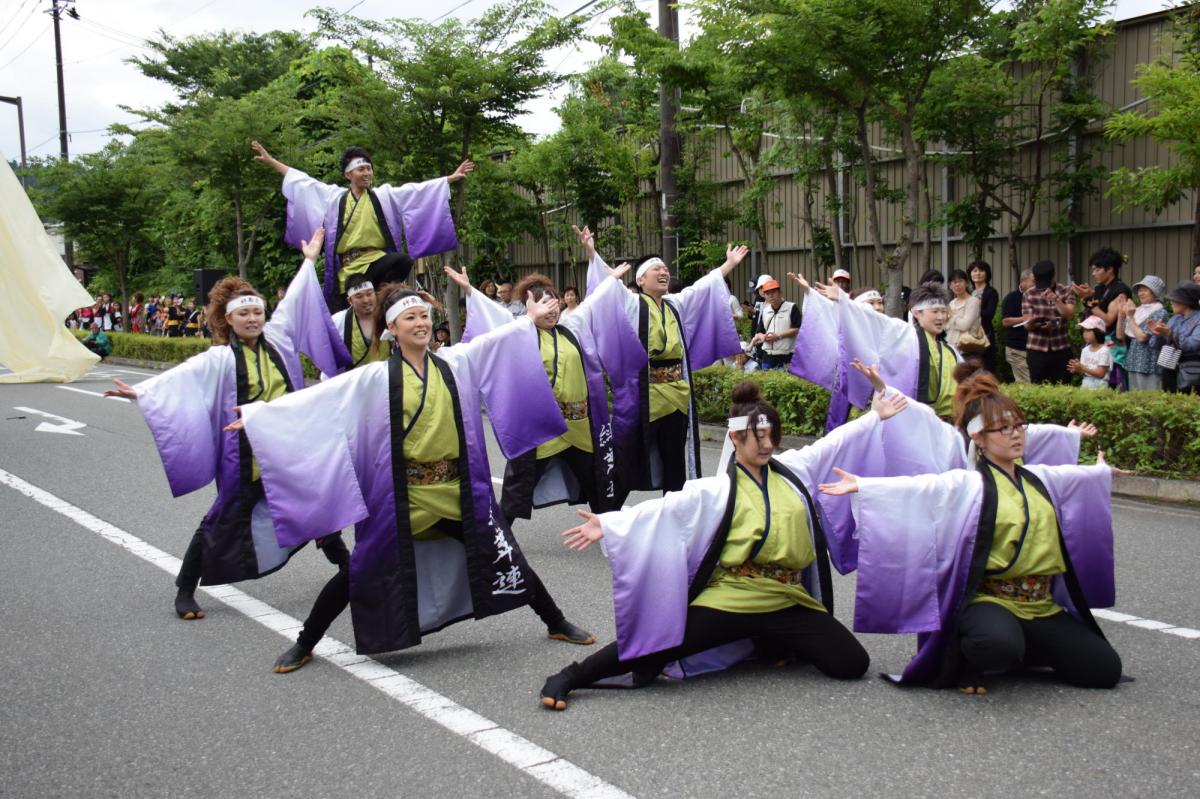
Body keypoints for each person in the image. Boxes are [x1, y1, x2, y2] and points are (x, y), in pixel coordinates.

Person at [239, 279, 597, 671]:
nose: (421, 323)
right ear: (392, 328)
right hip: (404, 496)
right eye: (409, 318)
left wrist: (527, 320)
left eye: (423, 316)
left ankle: (555, 621)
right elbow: (321, 400)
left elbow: (496, 343)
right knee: (361, 568)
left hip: (455, 491)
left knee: (503, 552)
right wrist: (261, 417)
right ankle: (305, 642)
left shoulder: (456, 363)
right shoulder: (374, 378)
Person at [538, 382, 905, 711]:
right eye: (757, 437)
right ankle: (572, 675)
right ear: (735, 438)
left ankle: (767, 641)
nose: (767, 444)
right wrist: (608, 523)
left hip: (787, 598)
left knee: (850, 663)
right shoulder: (717, 489)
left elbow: (834, 443)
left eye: (771, 435)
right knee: (657, 642)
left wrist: (875, 416)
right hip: (734, 595)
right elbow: (665, 511)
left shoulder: (795, 468)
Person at [819, 370, 1123, 693]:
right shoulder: (967, 484)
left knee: (1104, 671)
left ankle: (1024, 645)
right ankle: (966, 655)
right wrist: (865, 485)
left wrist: (1101, 473)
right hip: (990, 600)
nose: (1015, 434)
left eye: (1019, 426)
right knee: (996, 647)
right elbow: (922, 488)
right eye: (1003, 428)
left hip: (1039, 604)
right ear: (978, 437)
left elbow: (1077, 479)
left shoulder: (1041, 479)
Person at [105, 230, 349, 621]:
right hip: (245, 453)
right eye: (243, 314)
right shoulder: (219, 358)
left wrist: (309, 261)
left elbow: (298, 299)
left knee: (318, 505)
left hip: (287, 445)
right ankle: (185, 588)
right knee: (221, 519)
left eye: (257, 312)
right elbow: (182, 379)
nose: (252, 319)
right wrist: (141, 393)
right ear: (228, 320)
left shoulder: (280, 340)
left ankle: (349, 569)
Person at [580, 225, 747, 497]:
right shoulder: (633, 303)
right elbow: (608, 286)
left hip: (676, 395)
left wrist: (728, 265)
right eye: (656, 269)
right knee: (627, 457)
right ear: (641, 280)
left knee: (674, 463)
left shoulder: (674, 304)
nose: (663, 272)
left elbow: (702, 288)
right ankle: (608, 513)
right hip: (644, 395)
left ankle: (675, 511)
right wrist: (591, 253)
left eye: (665, 269)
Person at [499, 261, 642, 529]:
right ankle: (497, 539)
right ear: (531, 307)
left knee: (597, 481)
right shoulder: (520, 335)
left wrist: (610, 280)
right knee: (518, 487)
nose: (552, 310)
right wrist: (470, 291)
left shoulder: (569, 329)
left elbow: (592, 304)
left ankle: (610, 531)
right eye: (545, 305)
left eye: (555, 304)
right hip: (543, 429)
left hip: (578, 426)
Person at [252, 141, 473, 311]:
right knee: (340, 316)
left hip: (377, 262)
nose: (367, 173)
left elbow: (415, 191)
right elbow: (303, 182)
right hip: (349, 268)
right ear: (348, 174)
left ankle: (381, 297)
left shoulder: (383, 196)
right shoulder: (334, 198)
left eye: (369, 168)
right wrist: (272, 161)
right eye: (361, 169)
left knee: (403, 260)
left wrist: (450, 178)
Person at [1022, 260, 1076, 385]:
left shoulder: (1066, 290)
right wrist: (1036, 324)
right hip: (1036, 348)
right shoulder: (1029, 294)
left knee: (1063, 386)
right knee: (1038, 387)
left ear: (1053, 276)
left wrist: (1056, 300)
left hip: (1061, 347)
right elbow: (1026, 323)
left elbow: (1069, 315)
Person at [1114, 276, 1168, 391]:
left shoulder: (1160, 312)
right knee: (1135, 400)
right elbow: (1120, 335)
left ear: (1155, 292)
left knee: (1150, 399)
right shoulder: (1137, 311)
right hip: (1133, 362)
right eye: (1139, 290)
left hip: (1150, 364)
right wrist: (1121, 313)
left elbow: (1142, 337)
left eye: (1145, 290)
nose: (1140, 293)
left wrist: (1130, 317)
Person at [1148, 281, 1200, 395]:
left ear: (1186, 302)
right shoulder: (1174, 319)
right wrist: (1158, 335)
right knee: (1169, 401)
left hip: (1192, 372)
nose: (1171, 302)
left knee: (1189, 402)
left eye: (1175, 299)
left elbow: (1193, 345)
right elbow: (1154, 345)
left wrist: (1171, 334)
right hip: (1169, 369)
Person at [327, 273, 385, 373]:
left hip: (386, 377)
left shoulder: (387, 316)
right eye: (359, 296)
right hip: (355, 379)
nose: (366, 300)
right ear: (350, 300)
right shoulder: (337, 321)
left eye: (369, 294)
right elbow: (327, 355)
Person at [1073, 247, 1132, 335]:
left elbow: (1107, 321)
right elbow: (1098, 305)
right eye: (1093, 270)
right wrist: (1090, 294)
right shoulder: (1100, 287)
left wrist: (1087, 299)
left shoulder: (1120, 292)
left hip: (1111, 340)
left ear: (1110, 269)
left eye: (1097, 270)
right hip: (1096, 339)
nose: (1093, 273)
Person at [748, 278, 800, 370]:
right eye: (767, 294)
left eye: (773, 292)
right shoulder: (765, 311)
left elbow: (797, 328)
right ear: (764, 296)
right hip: (767, 357)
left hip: (785, 357)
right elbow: (759, 331)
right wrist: (762, 337)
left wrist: (778, 336)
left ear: (780, 293)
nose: (771, 296)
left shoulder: (791, 307)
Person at [1000, 269, 1034, 383]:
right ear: (1022, 281)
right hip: (1017, 349)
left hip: (1035, 348)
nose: (1036, 285)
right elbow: (1005, 321)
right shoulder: (1011, 298)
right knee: (1026, 383)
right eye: (1033, 281)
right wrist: (1025, 318)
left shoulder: (1038, 297)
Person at [969, 260, 999, 374]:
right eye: (974, 270)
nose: (977, 273)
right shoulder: (969, 293)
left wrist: (976, 307)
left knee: (986, 367)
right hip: (969, 335)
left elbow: (989, 314)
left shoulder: (991, 292)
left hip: (985, 334)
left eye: (981, 270)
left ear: (987, 274)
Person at [945, 269, 983, 354]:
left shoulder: (973, 301)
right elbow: (946, 327)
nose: (957, 284)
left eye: (960, 281)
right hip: (951, 347)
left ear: (967, 283)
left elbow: (964, 326)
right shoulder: (952, 303)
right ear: (950, 286)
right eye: (954, 282)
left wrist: (952, 315)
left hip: (966, 348)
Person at [1069, 317, 1112, 390]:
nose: (1084, 334)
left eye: (1088, 330)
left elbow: (1101, 374)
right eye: (1084, 331)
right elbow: (1084, 372)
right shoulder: (1085, 350)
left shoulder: (1104, 351)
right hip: (1086, 386)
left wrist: (1082, 368)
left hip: (1100, 388)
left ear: (1098, 332)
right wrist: (1077, 368)